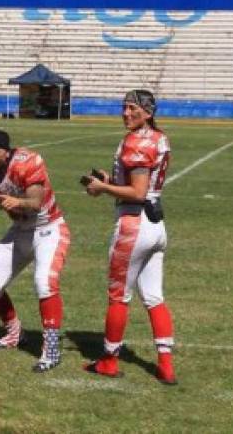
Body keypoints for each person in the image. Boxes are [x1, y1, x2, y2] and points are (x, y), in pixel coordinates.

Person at [82, 89, 177, 385]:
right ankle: (165, 364)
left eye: (133, 109)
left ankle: (109, 361)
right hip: (155, 224)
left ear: (148, 112)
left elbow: (137, 191)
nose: (126, 113)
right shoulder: (158, 136)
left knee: (118, 297)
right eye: (124, 107)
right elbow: (143, 185)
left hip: (133, 223)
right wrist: (111, 180)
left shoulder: (137, 141)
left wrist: (103, 188)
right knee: (154, 297)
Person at [0, 129, 71, 373]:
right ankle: (15, 333)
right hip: (21, 230)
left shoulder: (27, 161)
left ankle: (51, 349)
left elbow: (36, 202)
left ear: (7, 151)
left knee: (44, 283)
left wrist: (17, 201)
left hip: (49, 228)